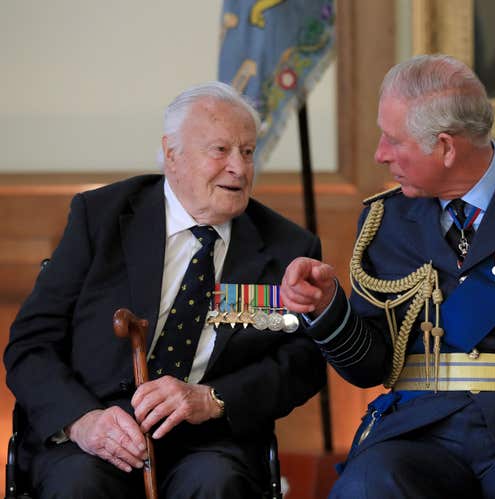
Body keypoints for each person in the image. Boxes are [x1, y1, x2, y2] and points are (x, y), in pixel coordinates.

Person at [280, 54, 495, 498]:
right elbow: (372, 365)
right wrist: (327, 309)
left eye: (394, 141)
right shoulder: (384, 219)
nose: (380, 154)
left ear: (446, 147)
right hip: (419, 434)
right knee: (367, 486)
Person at [4, 81, 326, 498]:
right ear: (172, 154)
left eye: (247, 152)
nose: (240, 168)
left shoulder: (287, 248)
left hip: (209, 440)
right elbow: (30, 344)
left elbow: (303, 362)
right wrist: (81, 420)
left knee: (217, 485)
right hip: (94, 430)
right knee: (79, 486)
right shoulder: (100, 218)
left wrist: (213, 398)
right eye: (221, 150)